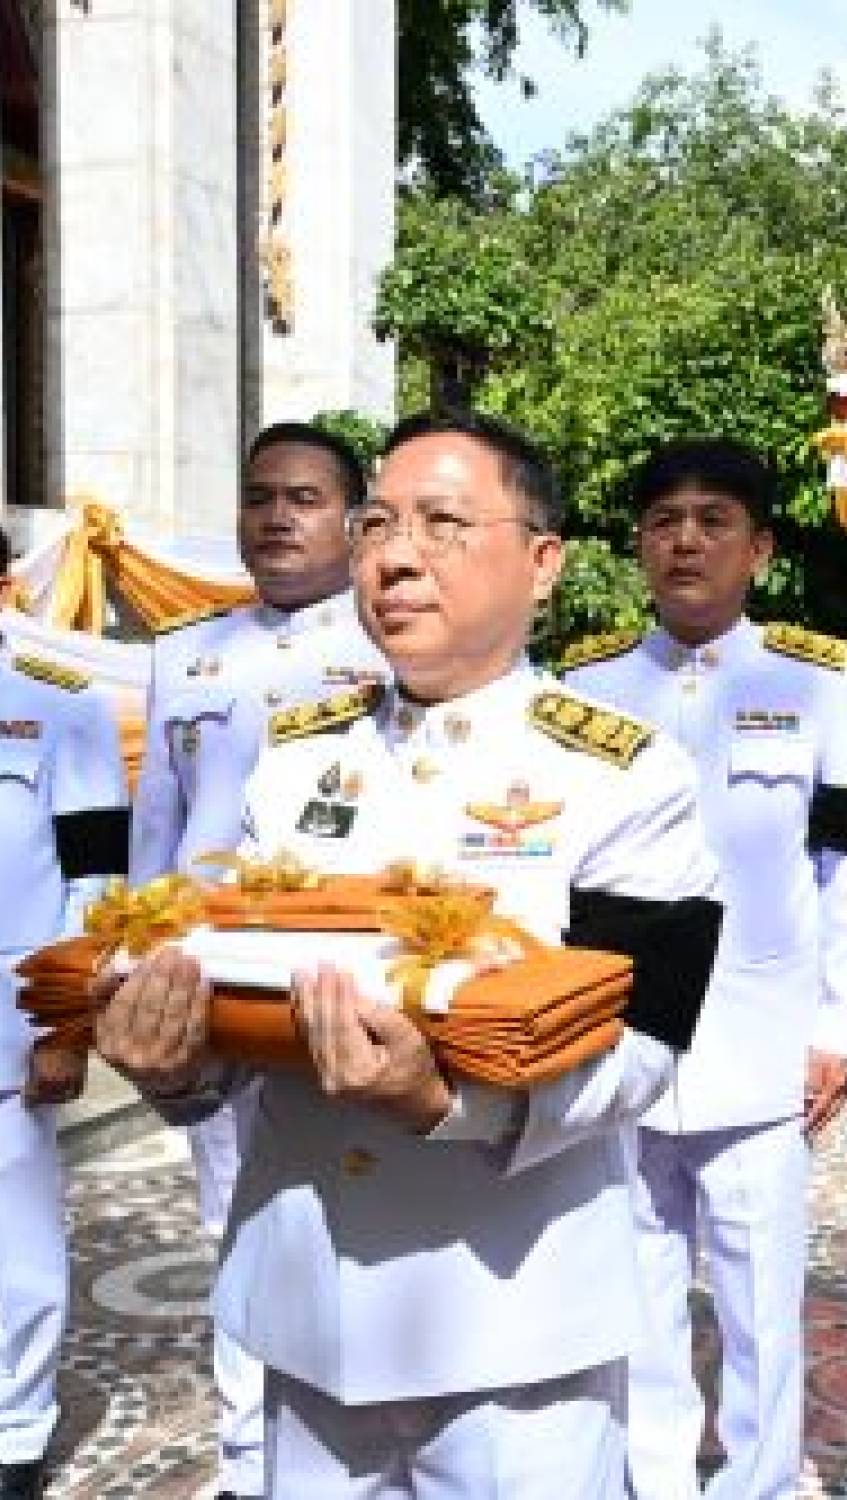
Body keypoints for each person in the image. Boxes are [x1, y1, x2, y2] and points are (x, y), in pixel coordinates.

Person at [96, 410, 722, 1499]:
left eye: (441, 522)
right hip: (309, 1312)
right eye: (379, 522)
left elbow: (645, 1047)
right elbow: (245, 1007)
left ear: (543, 564)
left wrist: (445, 1099)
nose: (393, 555)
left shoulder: (628, 776)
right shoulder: (294, 765)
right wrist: (180, 1072)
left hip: (512, 1326)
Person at [563, 438, 847, 1499]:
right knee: (639, 1297)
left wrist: (837, 1027)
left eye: (714, 520)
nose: (686, 539)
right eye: (664, 521)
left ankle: (760, 1481)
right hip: (617, 1044)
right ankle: (654, 1480)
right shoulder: (584, 687)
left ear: (762, 549)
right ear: (640, 544)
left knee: (760, 1306)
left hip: (761, 1044)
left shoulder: (819, 678)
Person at [128, 420, 386, 1500]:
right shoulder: (183, 654)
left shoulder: (386, 648)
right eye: (260, 497)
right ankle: (250, 1457)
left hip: (335, 987)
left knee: (354, 1216)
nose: (277, 516)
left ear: (355, 522)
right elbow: (157, 835)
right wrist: (134, 957)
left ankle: (372, 1439)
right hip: (206, 992)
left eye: (305, 498)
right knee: (232, 1221)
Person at [0, 525, 130, 1500]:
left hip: (11, 1006)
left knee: (14, 1236)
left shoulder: (58, 707)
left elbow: (95, 882)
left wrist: (67, 1025)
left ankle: (13, 1427)